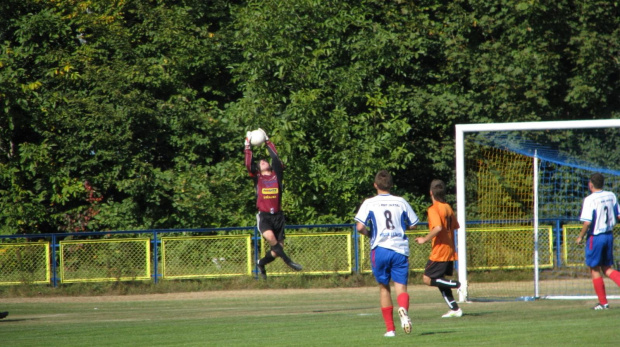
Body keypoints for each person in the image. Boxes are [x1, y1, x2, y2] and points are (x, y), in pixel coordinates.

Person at [354, 170, 418, 337]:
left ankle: (390, 330)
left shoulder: (369, 203)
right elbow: (414, 224)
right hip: (399, 248)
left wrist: (370, 234)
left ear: (375, 185)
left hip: (380, 248)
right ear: (391, 185)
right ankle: (403, 309)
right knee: (401, 286)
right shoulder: (401, 202)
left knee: (384, 288)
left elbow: (360, 226)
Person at [245, 129, 302, 279]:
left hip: (278, 216)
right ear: (258, 169)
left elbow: (275, 158)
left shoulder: (276, 176)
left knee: (277, 250)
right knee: (271, 239)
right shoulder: (258, 178)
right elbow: (248, 164)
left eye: (264, 161)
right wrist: (247, 145)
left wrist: (267, 141)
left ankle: (260, 263)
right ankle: (289, 262)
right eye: (260, 162)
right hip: (264, 216)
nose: (263, 161)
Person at [415, 179, 463, 318]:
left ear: (431, 192)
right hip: (449, 249)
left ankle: (455, 284)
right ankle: (455, 309)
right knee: (439, 279)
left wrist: (424, 238)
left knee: (427, 278)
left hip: (440, 250)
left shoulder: (434, 209)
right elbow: (455, 226)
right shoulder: (447, 207)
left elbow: (438, 227)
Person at [575, 173, 620, 310]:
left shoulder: (590, 199)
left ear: (591, 184)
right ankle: (603, 303)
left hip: (595, 236)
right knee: (607, 268)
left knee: (594, 269)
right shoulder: (611, 195)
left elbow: (587, 222)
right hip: (608, 235)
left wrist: (580, 236)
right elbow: (618, 214)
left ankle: (603, 303)